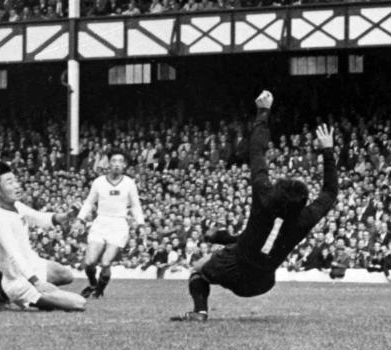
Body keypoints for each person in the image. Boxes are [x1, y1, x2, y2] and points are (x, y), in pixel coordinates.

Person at [171, 90, 338, 322]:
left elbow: (257, 151)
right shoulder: (305, 217)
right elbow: (330, 192)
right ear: (302, 204)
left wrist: (263, 112)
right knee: (252, 245)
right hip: (262, 282)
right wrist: (327, 151)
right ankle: (223, 244)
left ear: (277, 191)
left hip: (232, 266)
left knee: (198, 270)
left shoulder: (264, 198)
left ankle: (200, 311)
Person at [0, 161, 85, 312]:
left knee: (66, 275)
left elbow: (41, 218)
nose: (17, 185)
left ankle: (8, 296)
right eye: (10, 182)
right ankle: (22, 297)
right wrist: (37, 283)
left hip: (33, 266)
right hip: (18, 282)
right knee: (79, 303)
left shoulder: (16, 206)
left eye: (15, 180)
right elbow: (14, 254)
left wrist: (68, 215)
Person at [75, 150, 145, 299]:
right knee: (89, 262)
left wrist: (141, 224)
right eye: (114, 161)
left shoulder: (129, 183)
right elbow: (89, 202)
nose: (117, 164)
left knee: (106, 262)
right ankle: (93, 284)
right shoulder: (99, 182)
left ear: (125, 165)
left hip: (119, 224)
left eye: (120, 161)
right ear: (109, 163)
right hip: (100, 222)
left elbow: (135, 205)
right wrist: (80, 219)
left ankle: (98, 292)